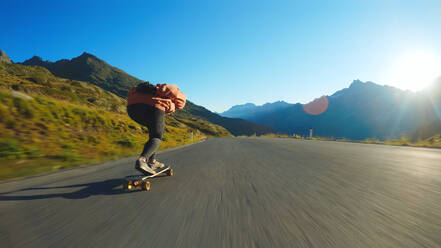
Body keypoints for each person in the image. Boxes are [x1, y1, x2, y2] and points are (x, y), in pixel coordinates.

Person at [127, 82, 186, 175]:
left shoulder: (149, 89)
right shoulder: (177, 93)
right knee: (157, 136)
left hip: (132, 108)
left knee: (153, 133)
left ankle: (152, 161)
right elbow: (178, 100)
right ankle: (142, 160)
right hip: (153, 106)